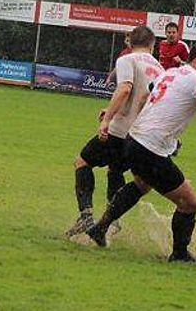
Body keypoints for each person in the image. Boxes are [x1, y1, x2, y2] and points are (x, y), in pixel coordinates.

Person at [86, 44, 196, 263]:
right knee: (189, 203)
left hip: (134, 139)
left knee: (142, 184)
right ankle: (179, 254)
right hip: (149, 148)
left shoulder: (172, 72)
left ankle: (100, 228)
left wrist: (146, 124)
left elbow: (145, 95)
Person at [66, 26, 163, 237]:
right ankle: (111, 220)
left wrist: (108, 119)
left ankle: (86, 217)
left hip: (119, 131)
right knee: (116, 170)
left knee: (82, 162)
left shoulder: (127, 59)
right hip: (141, 136)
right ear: (152, 45)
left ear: (130, 43)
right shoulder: (159, 68)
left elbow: (125, 88)